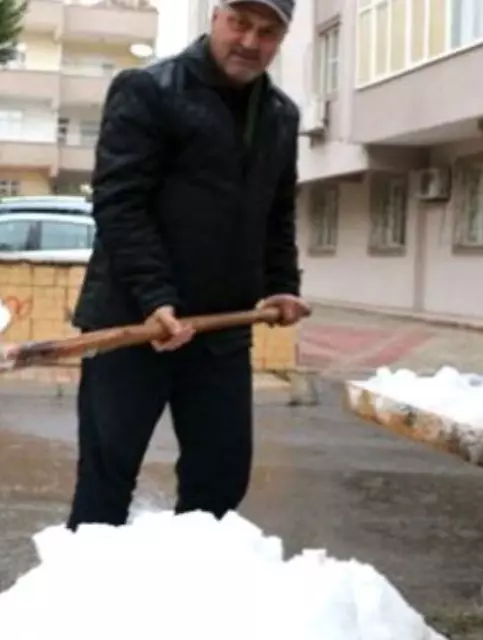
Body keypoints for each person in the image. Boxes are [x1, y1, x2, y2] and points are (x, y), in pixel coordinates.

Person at [67, 0, 311, 530]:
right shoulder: (150, 90)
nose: (250, 42)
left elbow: (278, 210)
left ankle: (194, 598)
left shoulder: (281, 115)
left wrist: (281, 284)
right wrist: (156, 298)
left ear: (282, 38)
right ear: (216, 15)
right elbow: (119, 201)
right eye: (240, 23)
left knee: (221, 480)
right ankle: (82, 603)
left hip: (219, 329)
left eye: (267, 32)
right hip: (131, 324)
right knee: (107, 480)